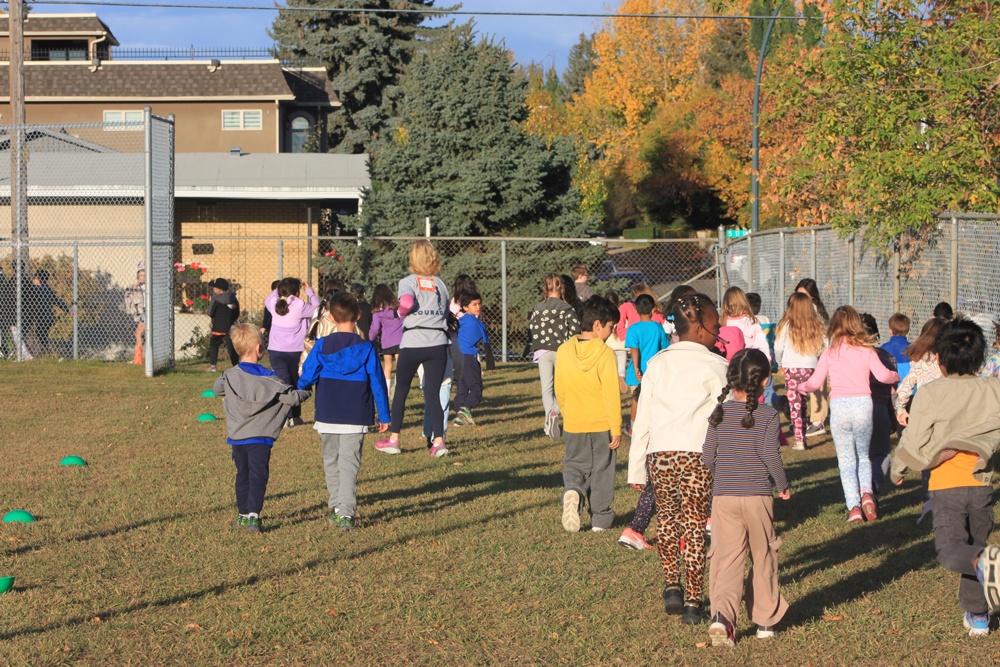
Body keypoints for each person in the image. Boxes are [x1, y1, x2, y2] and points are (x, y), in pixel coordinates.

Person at [890, 317, 1000, 637]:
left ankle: (985, 583)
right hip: (981, 484)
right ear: (980, 358)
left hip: (945, 484)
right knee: (974, 549)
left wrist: (898, 468)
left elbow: (914, 437)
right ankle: (978, 616)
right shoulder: (994, 389)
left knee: (952, 551)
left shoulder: (932, 392)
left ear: (937, 358)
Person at [629, 293, 729, 625]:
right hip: (698, 455)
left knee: (668, 521)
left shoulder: (656, 363)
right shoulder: (718, 366)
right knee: (695, 526)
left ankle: (672, 584)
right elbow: (725, 417)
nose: (720, 330)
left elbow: (642, 417)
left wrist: (636, 466)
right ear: (700, 328)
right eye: (716, 325)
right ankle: (692, 602)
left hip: (660, 453)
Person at [704, 349, 790, 647]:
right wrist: (782, 484)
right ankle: (766, 621)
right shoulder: (768, 415)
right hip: (757, 497)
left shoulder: (718, 413)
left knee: (726, 560)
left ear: (732, 380)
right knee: (764, 555)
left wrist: (722, 475)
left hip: (723, 497)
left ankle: (722, 618)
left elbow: (707, 456)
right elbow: (770, 455)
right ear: (765, 380)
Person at [298, 292, 390, 532]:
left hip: (327, 413)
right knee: (350, 464)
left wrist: (297, 390)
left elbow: (307, 376)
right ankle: (345, 512)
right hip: (356, 414)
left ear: (330, 316)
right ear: (358, 315)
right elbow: (378, 384)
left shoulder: (321, 345)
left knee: (331, 461)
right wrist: (385, 416)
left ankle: (338, 507)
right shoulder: (367, 348)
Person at [800, 306, 900, 523]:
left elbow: (815, 383)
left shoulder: (829, 353)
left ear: (834, 327)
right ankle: (867, 494)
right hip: (864, 406)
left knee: (846, 461)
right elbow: (883, 376)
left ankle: (853, 507)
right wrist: (895, 376)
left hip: (840, 408)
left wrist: (801, 387)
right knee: (864, 456)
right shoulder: (867, 351)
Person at [213, 323, 311, 534]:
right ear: (259, 349)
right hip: (260, 438)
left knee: (243, 475)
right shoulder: (270, 379)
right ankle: (253, 516)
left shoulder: (229, 375)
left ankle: (242, 514)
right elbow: (291, 397)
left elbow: (217, 389)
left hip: (238, 438)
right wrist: (306, 390)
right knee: (258, 475)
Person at [375, 240, 451, 457]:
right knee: (433, 393)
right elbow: (445, 313)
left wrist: (399, 314)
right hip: (438, 343)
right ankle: (438, 442)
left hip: (414, 341)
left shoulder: (408, 281)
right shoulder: (441, 284)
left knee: (401, 391)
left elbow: (406, 303)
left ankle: (394, 439)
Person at [554, 296, 622, 533]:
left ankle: (572, 490)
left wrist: (568, 412)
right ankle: (601, 519)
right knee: (602, 469)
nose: (611, 333)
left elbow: (559, 389)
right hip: (602, 423)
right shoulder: (605, 354)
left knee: (575, 464)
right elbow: (611, 395)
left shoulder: (563, 351)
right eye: (610, 327)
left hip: (574, 422)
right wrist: (616, 427)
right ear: (597, 326)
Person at [895, 316, 947, 524]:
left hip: (924, 412)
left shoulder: (920, 359)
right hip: (946, 413)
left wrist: (901, 409)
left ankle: (929, 501)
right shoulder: (950, 360)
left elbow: (905, 387)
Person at [529, 273, 581, 440]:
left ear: (545, 288)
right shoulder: (566, 308)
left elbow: (532, 329)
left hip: (542, 350)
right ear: (562, 288)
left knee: (547, 387)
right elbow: (574, 331)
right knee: (565, 386)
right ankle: (555, 411)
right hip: (561, 350)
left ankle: (548, 421)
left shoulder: (537, 309)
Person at [264, 277, 320, 427]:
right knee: (295, 383)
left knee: (283, 383)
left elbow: (268, 299)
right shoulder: (300, 305)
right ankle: (294, 416)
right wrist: (309, 291)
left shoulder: (273, 303)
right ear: (296, 292)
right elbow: (317, 307)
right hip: (296, 351)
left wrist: (280, 289)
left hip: (276, 351)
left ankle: (283, 416)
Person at [774, 292, 826, 451]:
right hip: (811, 366)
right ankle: (804, 432)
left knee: (795, 404)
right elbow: (827, 343)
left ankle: (799, 440)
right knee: (803, 403)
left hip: (792, 367)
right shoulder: (816, 324)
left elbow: (777, 347)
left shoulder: (786, 324)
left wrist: (779, 362)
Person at [860, 313, 898, 494]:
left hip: (854, 409)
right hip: (880, 408)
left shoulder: (846, 358)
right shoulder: (888, 358)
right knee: (881, 454)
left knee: (857, 457)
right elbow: (893, 393)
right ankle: (874, 485)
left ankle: (859, 494)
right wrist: (892, 417)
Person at [624, 294, 669, 433]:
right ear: (653, 310)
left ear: (636, 310)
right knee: (653, 400)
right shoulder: (658, 327)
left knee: (636, 399)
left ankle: (633, 427)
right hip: (654, 371)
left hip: (637, 373)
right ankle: (652, 427)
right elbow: (665, 348)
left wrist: (637, 368)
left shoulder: (633, 329)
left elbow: (634, 350)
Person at [795, 278, 830, 437]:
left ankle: (818, 421)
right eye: (798, 295)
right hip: (804, 352)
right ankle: (802, 420)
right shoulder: (796, 309)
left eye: (805, 296)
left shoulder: (814, 310)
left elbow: (823, 335)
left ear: (812, 297)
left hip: (817, 352)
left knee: (818, 385)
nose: (801, 299)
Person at [453, 291, 490, 427]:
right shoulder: (477, 323)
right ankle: (466, 408)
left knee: (461, 387)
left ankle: (459, 417)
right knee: (476, 388)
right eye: (474, 304)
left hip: (457, 356)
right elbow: (486, 341)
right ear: (465, 307)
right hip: (469, 357)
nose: (478, 306)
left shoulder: (460, 321)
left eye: (479, 303)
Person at [369, 284, 403, 396]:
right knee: (399, 365)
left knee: (387, 366)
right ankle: (397, 386)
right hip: (399, 340)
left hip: (386, 342)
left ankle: (387, 390)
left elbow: (375, 328)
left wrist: (370, 338)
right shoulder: (397, 307)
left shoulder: (377, 312)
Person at [27, 269, 71, 357]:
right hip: (49, 317)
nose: (33, 280)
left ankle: (51, 352)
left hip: (42, 317)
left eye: (35, 278)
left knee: (40, 335)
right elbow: (58, 301)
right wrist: (68, 309)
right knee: (42, 335)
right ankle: (48, 353)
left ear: (38, 279)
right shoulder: (48, 288)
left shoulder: (36, 289)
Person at [206, 278, 240, 372]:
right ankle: (236, 366)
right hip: (230, 326)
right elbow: (236, 312)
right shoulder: (233, 298)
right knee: (231, 346)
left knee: (214, 344)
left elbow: (210, 312)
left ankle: (213, 366)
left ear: (218, 289)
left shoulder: (215, 299)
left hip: (218, 326)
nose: (213, 289)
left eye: (214, 288)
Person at [604, 292, 629, 394]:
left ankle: (610, 383)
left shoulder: (604, 315)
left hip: (609, 347)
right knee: (621, 366)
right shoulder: (621, 313)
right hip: (621, 346)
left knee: (609, 367)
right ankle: (621, 376)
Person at [124, 268, 146, 365]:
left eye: (144, 275)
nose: (143, 277)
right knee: (138, 333)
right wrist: (135, 286)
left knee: (138, 333)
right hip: (144, 312)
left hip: (149, 312)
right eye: (141, 276)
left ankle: (138, 359)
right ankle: (138, 358)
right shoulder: (138, 287)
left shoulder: (147, 286)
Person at [882, 313, 912, 379]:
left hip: (890, 384)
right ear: (907, 331)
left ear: (890, 330)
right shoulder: (912, 348)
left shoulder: (884, 348)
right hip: (908, 384)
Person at [260, 279, 280, 348]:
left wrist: (264, 326)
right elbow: (268, 314)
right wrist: (264, 326)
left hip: (274, 327)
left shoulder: (271, 301)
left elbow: (267, 315)